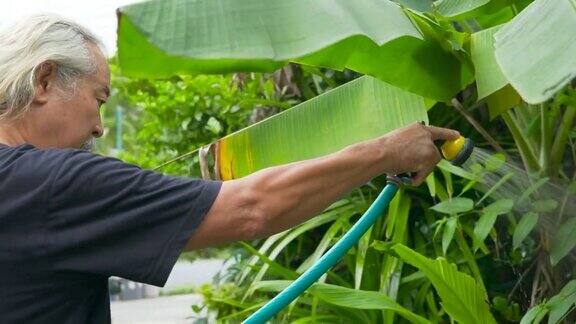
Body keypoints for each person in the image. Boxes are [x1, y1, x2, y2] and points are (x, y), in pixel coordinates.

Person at [0, 14, 460, 323]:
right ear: (44, 82)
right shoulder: (55, 184)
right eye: (98, 100)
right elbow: (250, 208)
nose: (100, 127)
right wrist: (386, 152)